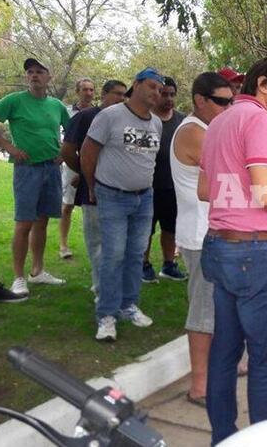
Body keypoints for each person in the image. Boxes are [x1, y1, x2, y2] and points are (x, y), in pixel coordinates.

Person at [199, 57, 267, 444]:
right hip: (255, 254)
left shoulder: (219, 121)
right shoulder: (258, 120)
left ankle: (223, 438)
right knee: (265, 360)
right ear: (263, 84)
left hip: (220, 248)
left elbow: (206, 191)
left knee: (225, 353)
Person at [80, 67, 164, 342]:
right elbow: (88, 153)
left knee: (135, 254)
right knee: (113, 255)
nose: (157, 93)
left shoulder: (156, 123)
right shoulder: (110, 115)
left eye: (160, 89)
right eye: (152, 86)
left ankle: (128, 304)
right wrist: (92, 186)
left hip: (144, 197)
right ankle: (106, 315)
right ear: (136, 85)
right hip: (112, 195)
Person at [170, 71, 234, 407]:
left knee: (221, 308)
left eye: (231, 100)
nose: (229, 106)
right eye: (223, 101)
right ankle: (199, 385)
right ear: (200, 100)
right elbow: (223, 184)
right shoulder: (195, 133)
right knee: (204, 311)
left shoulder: (208, 129)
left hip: (212, 231)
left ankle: (220, 369)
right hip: (200, 235)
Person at [0, 57, 69, 296]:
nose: (34, 75)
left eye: (39, 72)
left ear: (48, 77)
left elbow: (72, 129)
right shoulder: (14, 101)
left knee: (42, 221)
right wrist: (7, 146)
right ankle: (18, 277)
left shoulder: (56, 105)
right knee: (24, 223)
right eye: (30, 72)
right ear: (26, 77)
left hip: (52, 169)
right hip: (27, 169)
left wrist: (64, 152)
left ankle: (38, 271)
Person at [60, 79, 128, 297]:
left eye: (124, 95)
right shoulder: (85, 117)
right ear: (104, 94)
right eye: (117, 94)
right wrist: (83, 172)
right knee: (97, 241)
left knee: (118, 241)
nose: (121, 99)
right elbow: (68, 150)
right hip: (93, 189)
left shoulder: (124, 120)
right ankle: (101, 288)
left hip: (120, 189)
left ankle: (113, 284)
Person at [142, 77, 186, 282]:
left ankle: (169, 265)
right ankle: (143, 264)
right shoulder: (145, 120)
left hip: (173, 186)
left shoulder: (182, 121)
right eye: (164, 93)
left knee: (170, 228)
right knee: (146, 230)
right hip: (148, 186)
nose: (168, 98)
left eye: (171, 94)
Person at [59, 77, 97, 259]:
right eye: (85, 90)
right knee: (67, 205)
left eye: (91, 90)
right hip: (71, 164)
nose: (88, 93)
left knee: (90, 207)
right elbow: (63, 140)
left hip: (92, 166)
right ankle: (63, 245)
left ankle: (94, 245)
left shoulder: (100, 114)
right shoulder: (67, 113)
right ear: (77, 91)